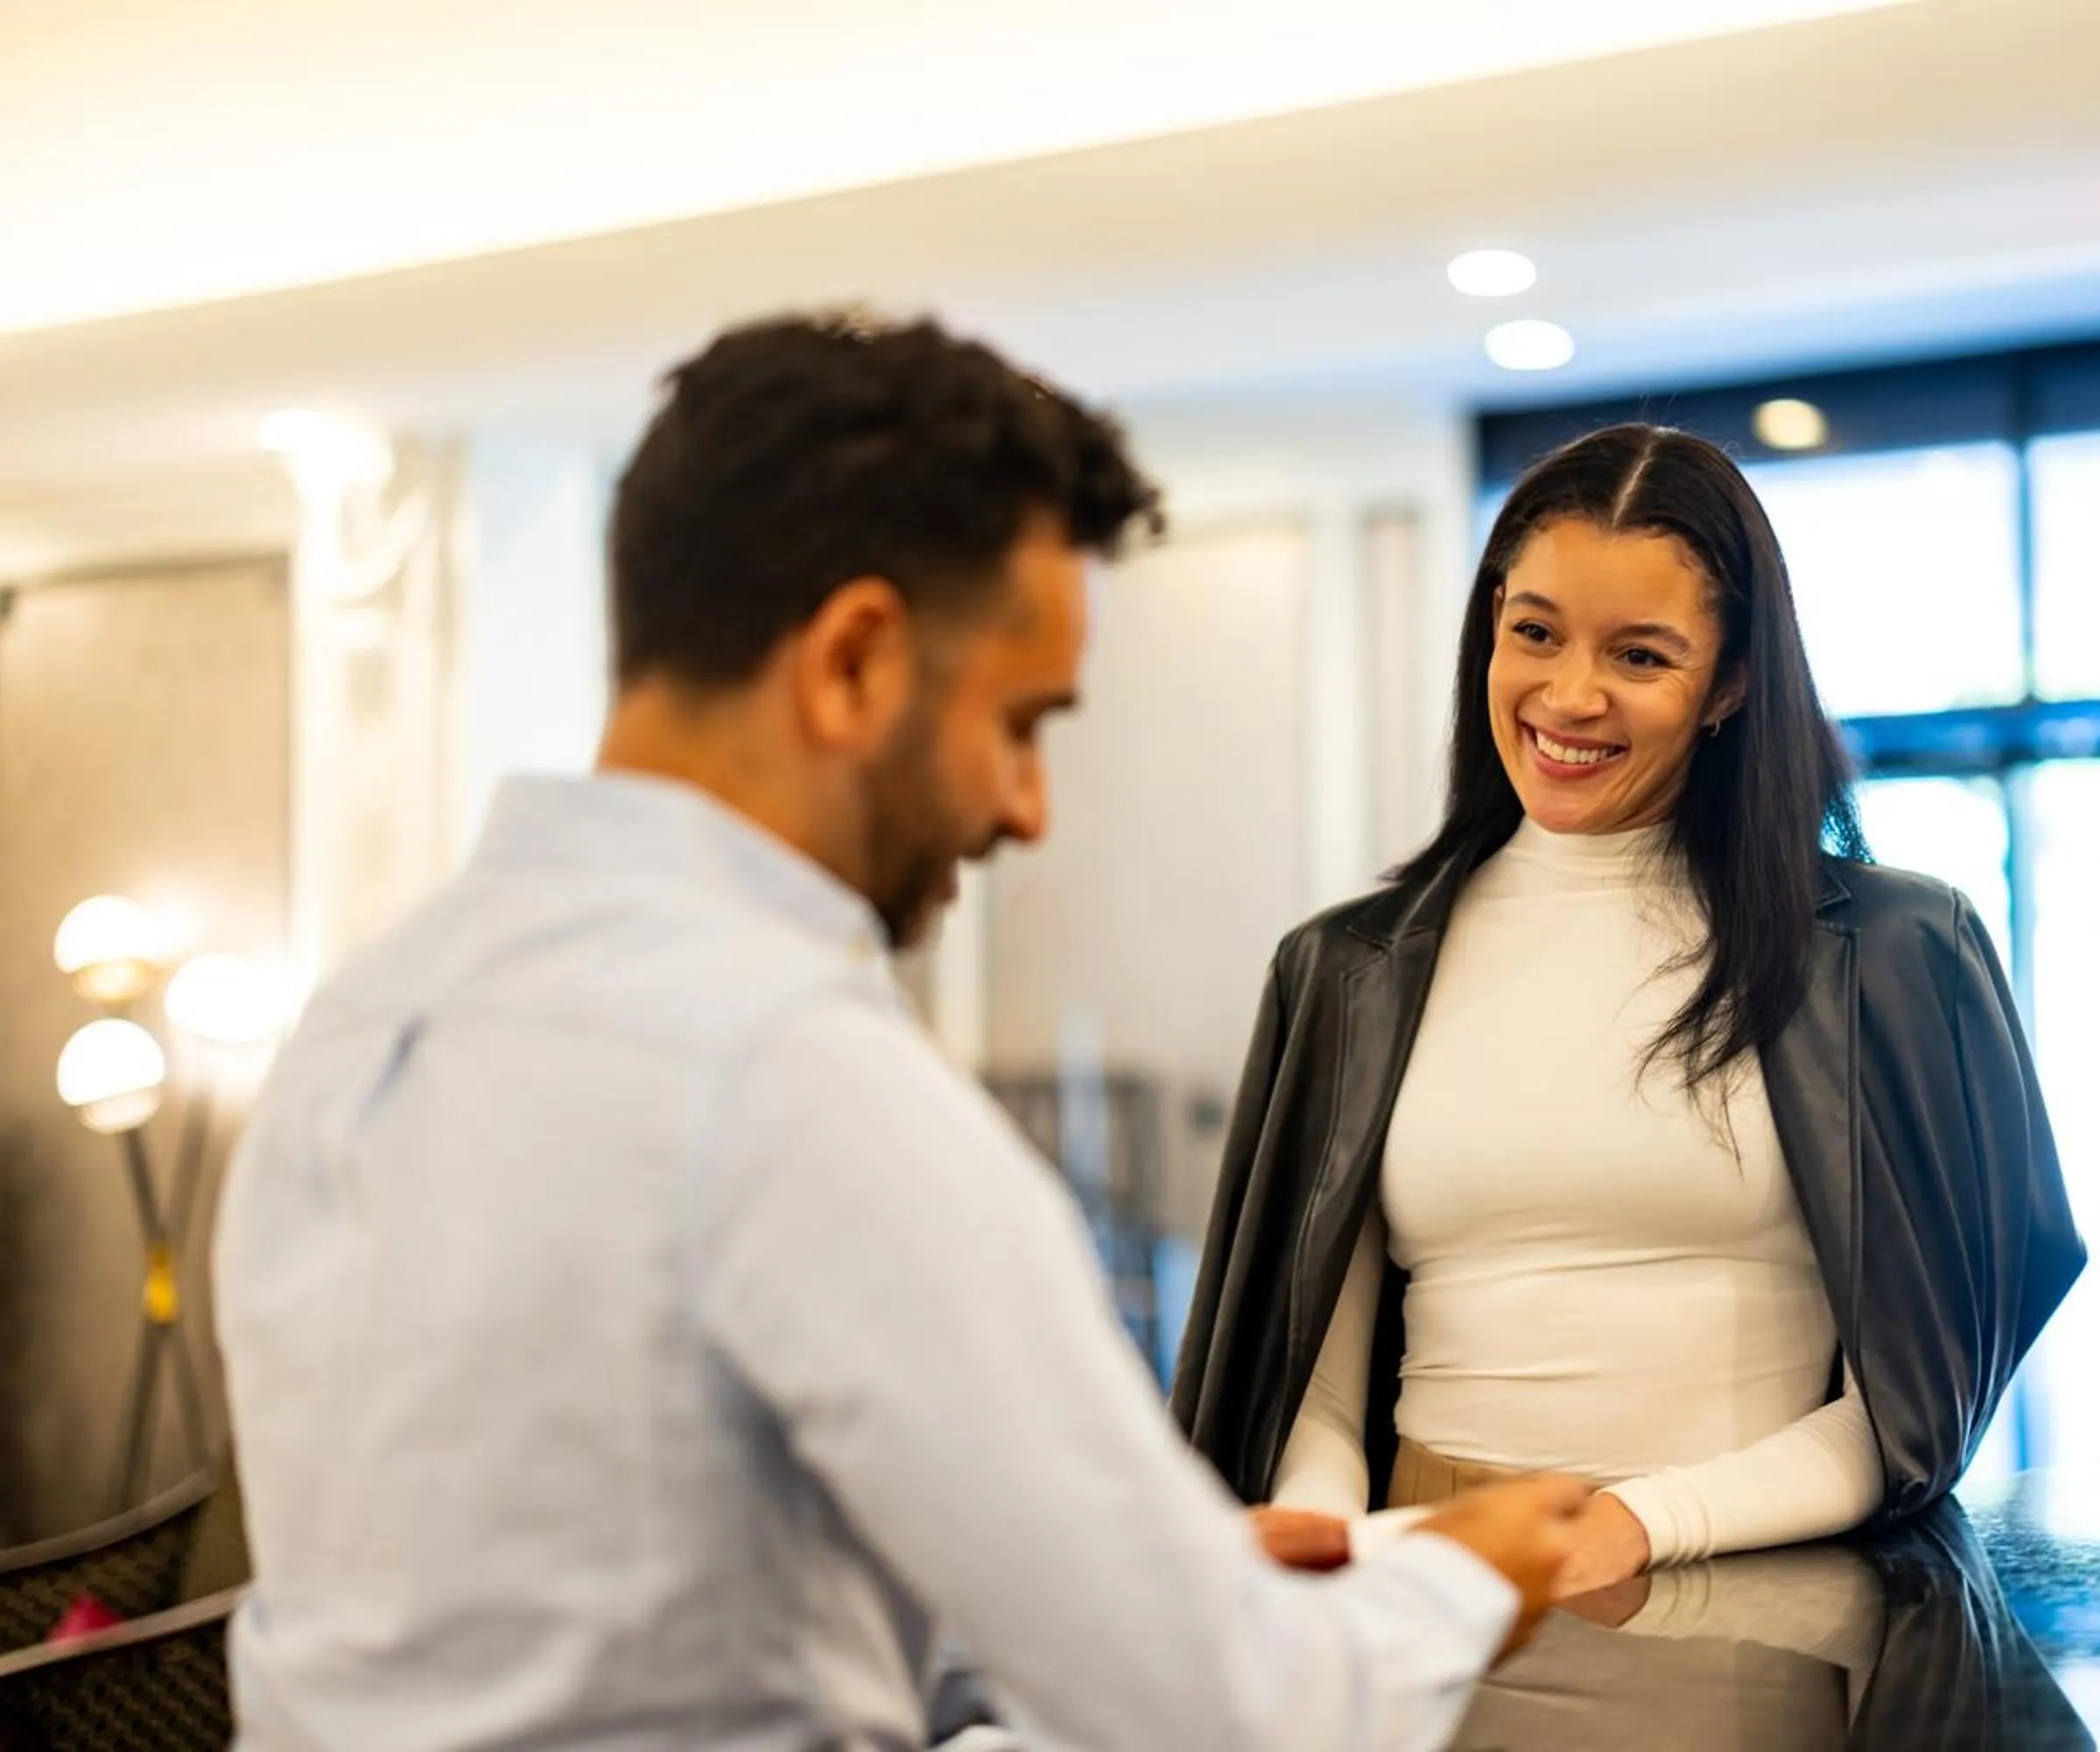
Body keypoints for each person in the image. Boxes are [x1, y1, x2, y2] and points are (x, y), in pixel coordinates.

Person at [213, 312, 1590, 1752]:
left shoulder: (360, 1012)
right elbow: (1236, 1711)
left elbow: (611, 1588)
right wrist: (1458, 1578)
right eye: (1020, 722)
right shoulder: (790, 1073)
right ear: (856, 662)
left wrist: (1109, 1584)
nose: (1027, 808)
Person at [1173, 424, 2084, 1597]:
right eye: (1534, 633)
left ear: (1734, 681)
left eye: (1641, 656)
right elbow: (1317, 1389)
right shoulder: (1348, 969)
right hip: (1432, 1580)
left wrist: (1645, 1520)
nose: (1570, 695)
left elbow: (1920, 1403)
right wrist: (1330, 1543)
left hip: (1762, 1581)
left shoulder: (1893, 956)